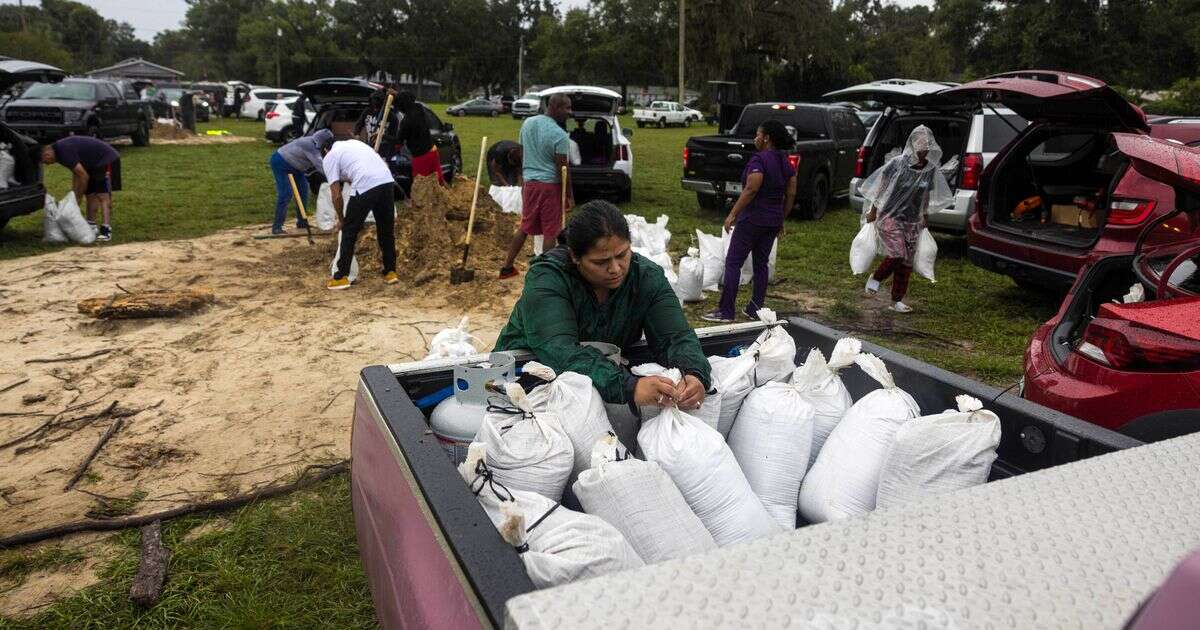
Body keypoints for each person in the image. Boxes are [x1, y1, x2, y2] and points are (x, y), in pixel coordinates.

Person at [494, 200, 711, 446]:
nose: (615, 268)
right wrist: (628, 387)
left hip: (600, 381)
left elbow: (675, 336)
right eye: (600, 262)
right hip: (526, 381)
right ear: (575, 256)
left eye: (622, 255)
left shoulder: (646, 278)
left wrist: (694, 373)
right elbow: (559, 349)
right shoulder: (548, 278)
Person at [702, 119, 797, 323]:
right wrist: (781, 217)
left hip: (752, 219)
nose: (756, 138)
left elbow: (752, 188)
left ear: (766, 138)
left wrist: (732, 214)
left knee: (733, 263)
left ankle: (726, 311)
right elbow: (791, 193)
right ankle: (755, 309)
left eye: (758, 134)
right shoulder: (785, 161)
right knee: (761, 265)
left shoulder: (759, 160)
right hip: (772, 221)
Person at [860, 125, 952, 313]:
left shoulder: (930, 169)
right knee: (897, 254)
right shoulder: (897, 163)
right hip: (890, 215)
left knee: (907, 262)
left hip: (912, 220)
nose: (923, 147)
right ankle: (876, 278)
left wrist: (925, 215)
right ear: (912, 143)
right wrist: (873, 211)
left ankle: (896, 301)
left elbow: (926, 194)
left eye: (927, 143)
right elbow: (881, 187)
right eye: (920, 142)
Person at [499, 93, 574, 279]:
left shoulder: (528, 124)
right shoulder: (560, 135)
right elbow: (562, 168)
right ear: (555, 107)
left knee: (525, 226)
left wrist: (525, 178)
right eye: (567, 108)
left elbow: (523, 153)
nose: (570, 112)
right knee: (551, 230)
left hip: (530, 184)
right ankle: (546, 274)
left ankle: (507, 268)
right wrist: (568, 195)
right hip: (549, 187)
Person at [322, 138, 398, 290]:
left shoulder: (330, 156)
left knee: (349, 231)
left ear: (325, 150)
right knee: (386, 230)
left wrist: (342, 219)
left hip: (366, 184)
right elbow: (353, 173)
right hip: (387, 181)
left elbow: (336, 194)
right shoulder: (355, 145)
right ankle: (390, 272)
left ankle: (341, 276)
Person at [40, 136, 122, 242]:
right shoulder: (59, 154)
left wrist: (77, 198)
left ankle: (106, 228)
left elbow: (84, 176)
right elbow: (76, 173)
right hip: (91, 164)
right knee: (90, 194)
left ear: (47, 154)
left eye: (45, 162)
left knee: (103, 196)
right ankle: (91, 225)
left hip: (106, 159)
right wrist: (73, 196)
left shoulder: (63, 152)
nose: (47, 164)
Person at [269, 129, 333, 235]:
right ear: (323, 141)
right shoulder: (309, 146)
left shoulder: (317, 145)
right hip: (280, 162)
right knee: (285, 194)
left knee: (303, 192)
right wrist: (336, 179)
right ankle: (277, 227)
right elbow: (321, 166)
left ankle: (302, 222)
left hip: (296, 167)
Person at [394, 91, 442, 185]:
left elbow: (398, 142)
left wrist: (385, 136)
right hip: (433, 151)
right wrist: (396, 95)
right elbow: (407, 98)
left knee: (421, 188)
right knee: (437, 184)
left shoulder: (406, 122)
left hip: (421, 157)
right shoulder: (419, 108)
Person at [354, 88, 400, 157]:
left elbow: (394, 139)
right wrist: (357, 135)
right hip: (369, 150)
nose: (375, 107)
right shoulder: (367, 111)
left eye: (377, 105)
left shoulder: (392, 117)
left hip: (385, 153)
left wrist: (381, 135)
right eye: (373, 102)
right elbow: (359, 125)